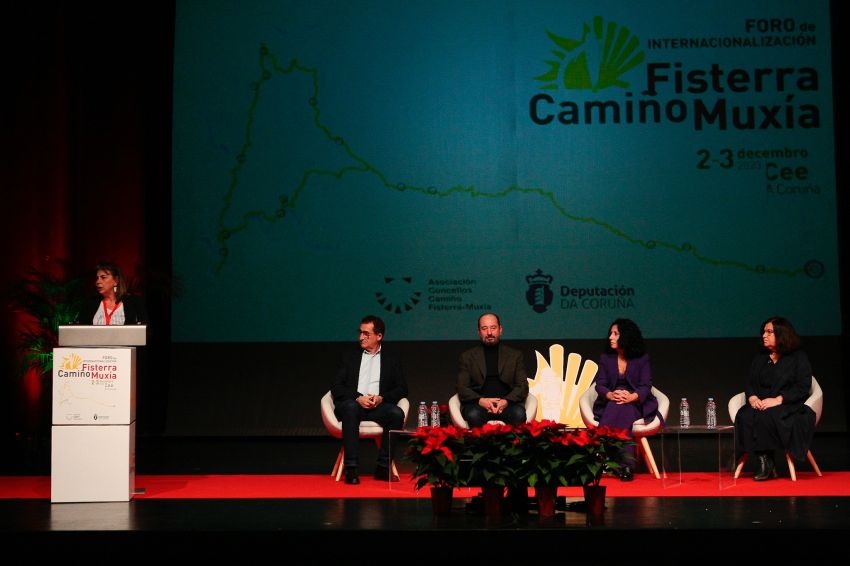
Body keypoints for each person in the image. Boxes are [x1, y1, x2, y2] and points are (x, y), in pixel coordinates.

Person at [734, 316, 816, 481]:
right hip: (761, 403)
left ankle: (766, 463)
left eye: (769, 332)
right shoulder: (760, 357)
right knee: (745, 416)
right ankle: (764, 459)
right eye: (764, 332)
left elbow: (803, 386)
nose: (764, 335)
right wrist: (752, 397)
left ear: (782, 334)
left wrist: (778, 400)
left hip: (788, 404)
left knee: (769, 416)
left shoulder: (797, 358)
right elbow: (750, 382)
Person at [330, 315, 408, 485]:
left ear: (379, 336)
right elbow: (336, 387)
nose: (361, 337)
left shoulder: (391, 357)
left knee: (396, 413)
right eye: (360, 333)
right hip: (353, 404)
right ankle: (351, 468)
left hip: (377, 407)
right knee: (350, 407)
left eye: (366, 334)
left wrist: (382, 398)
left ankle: (382, 467)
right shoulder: (349, 356)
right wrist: (358, 398)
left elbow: (402, 388)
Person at [592, 318, 662, 481]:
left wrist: (631, 396)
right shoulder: (606, 358)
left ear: (626, 337)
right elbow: (600, 384)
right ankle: (626, 466)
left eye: (615, 334)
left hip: (636, 402)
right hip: (612, 400)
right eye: (611, 333)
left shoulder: (641, 359)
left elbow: (646, 386)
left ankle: (599, 455)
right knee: (617, 406)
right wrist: (611, 394)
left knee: (621, 407)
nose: (610, 337)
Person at [456, 313, 529, 428]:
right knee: (473, 414)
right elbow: (462, 387)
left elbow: (522, 386)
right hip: (478, 405)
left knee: (519, 414)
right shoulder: (467, 357)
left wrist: (505, 402)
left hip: (507, 405)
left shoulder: (515, 355)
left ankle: (511, 446)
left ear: (500, 330)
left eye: (493, 328)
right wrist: (481, 401)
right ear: (478, 332)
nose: (489, 332)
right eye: (484, 328)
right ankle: (482, 446)